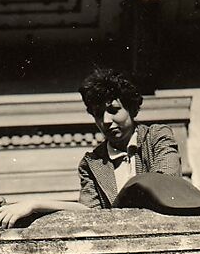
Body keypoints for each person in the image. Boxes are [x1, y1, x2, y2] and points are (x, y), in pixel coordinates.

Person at [77, 68, 182, 208]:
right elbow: (89, 212)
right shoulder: (91, 163)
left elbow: (167, 182)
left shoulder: (157, 137)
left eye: (113, 110)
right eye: (98, 114)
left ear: (131, 109)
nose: (106, 120)